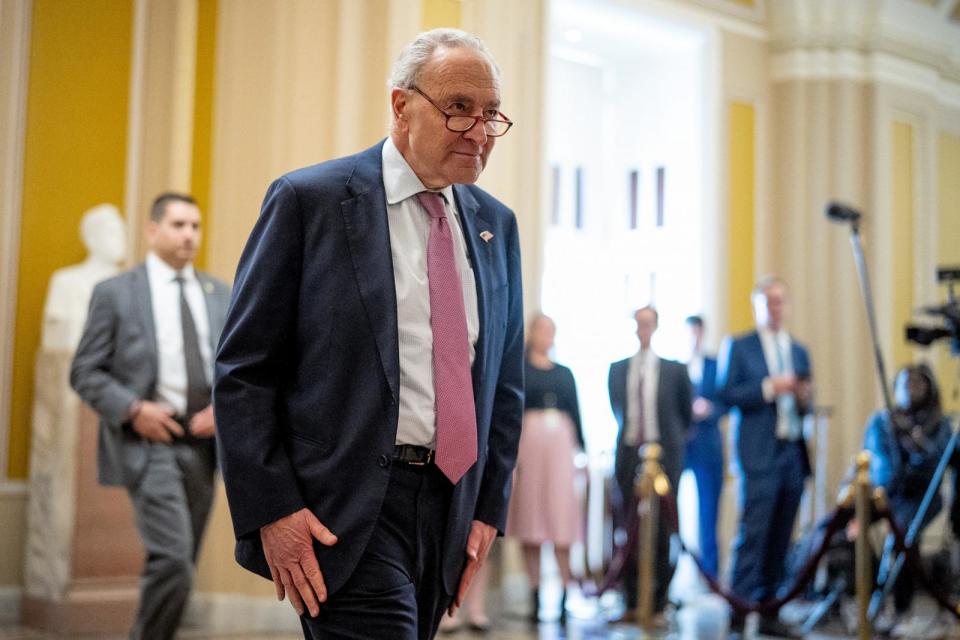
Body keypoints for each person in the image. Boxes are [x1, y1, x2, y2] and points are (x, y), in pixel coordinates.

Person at [213, 28, 524, 640]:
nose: (480, 131)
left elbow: (502, 384)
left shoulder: (495, 225)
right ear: (402, 105)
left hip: (449, 507)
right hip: (346, 508)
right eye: (459, 108)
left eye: (490, 114)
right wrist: (272, 508)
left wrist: (488, 509)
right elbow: (244, 370)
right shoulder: (311, 201)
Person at [70, 193, 231, 640]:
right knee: (173, 558)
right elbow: (85, 370)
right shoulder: (116, 293)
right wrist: (133, 409)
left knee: (182, 564)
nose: (189, 236)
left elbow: (239, 368)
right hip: (149, 442)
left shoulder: (220, 293)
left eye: (195, 227)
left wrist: (224, 409)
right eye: (179, 225)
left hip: (204, 447)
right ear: (152, 230)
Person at [718, 276, 811, 639]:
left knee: (781, 535)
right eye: (769, 301)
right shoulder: (740, 347)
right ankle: (739, 612)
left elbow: (806, 400)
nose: (775, 307)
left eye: (780, 301)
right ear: (757, 305)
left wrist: (802, 396)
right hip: (758, 454)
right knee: (753, 533)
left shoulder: (799, 350)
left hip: (792, 451)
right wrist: (772, 387)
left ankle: (771, 608)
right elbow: (725, 393)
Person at [608, 305, 692, 624]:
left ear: (655, 327)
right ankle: (630, 600)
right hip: (629, 455)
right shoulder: (618, 369)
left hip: (665, 457)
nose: (642, 328)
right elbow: (618, 409)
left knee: (661, 530)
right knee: (627, 528)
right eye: (638, 323)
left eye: (647, 323)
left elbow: (684, 415)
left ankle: (658, 601)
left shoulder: (674, 370)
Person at [863, 364, 960, 636]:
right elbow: (880, 467)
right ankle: (850, 596)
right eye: (905, 384)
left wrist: (917, 445)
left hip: (921, 498)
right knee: (839, 526)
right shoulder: (882, 422)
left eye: (917, 385)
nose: (910, 390)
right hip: (885, 494)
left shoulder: (939, 426)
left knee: (903, 534)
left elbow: (935, 466)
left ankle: (899, 606)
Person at [506, 313, 585, 626]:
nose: (546, 335)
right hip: (529, 451)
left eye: (551, 330)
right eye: (542, 329)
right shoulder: (520, 370)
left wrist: (585, 455)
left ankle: (566, 593)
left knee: (561, 519)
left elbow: (576, 415)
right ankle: (536, 593)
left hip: (560, 452)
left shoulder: (565, 373)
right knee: (532, 521)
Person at [42, 203, 126, 353]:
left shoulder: (130, 285)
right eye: (112, 233)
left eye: (122, 233)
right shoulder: (65, 281)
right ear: (91, 239)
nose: (121, 240)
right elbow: (54, 338)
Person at [682, 314, 725, 579]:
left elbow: (726, 400)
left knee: (709, 512)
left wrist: (710, 409)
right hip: (683, 443)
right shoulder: (676, 367)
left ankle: (710, 574)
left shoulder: (715, 365)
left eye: (698, 332)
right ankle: (671, 568)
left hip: (708, 444)